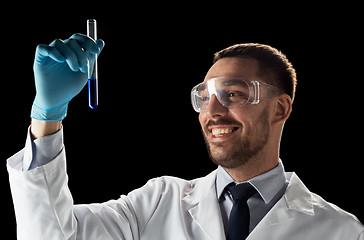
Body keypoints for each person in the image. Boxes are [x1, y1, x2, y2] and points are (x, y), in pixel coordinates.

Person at [7, 33, 363, 240]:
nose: (213, 112)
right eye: (204, 97)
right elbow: (50, 235)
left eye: (234, 94)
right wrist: (46, 116)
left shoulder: (341, 230)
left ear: (280, 109)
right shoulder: (157, 202)